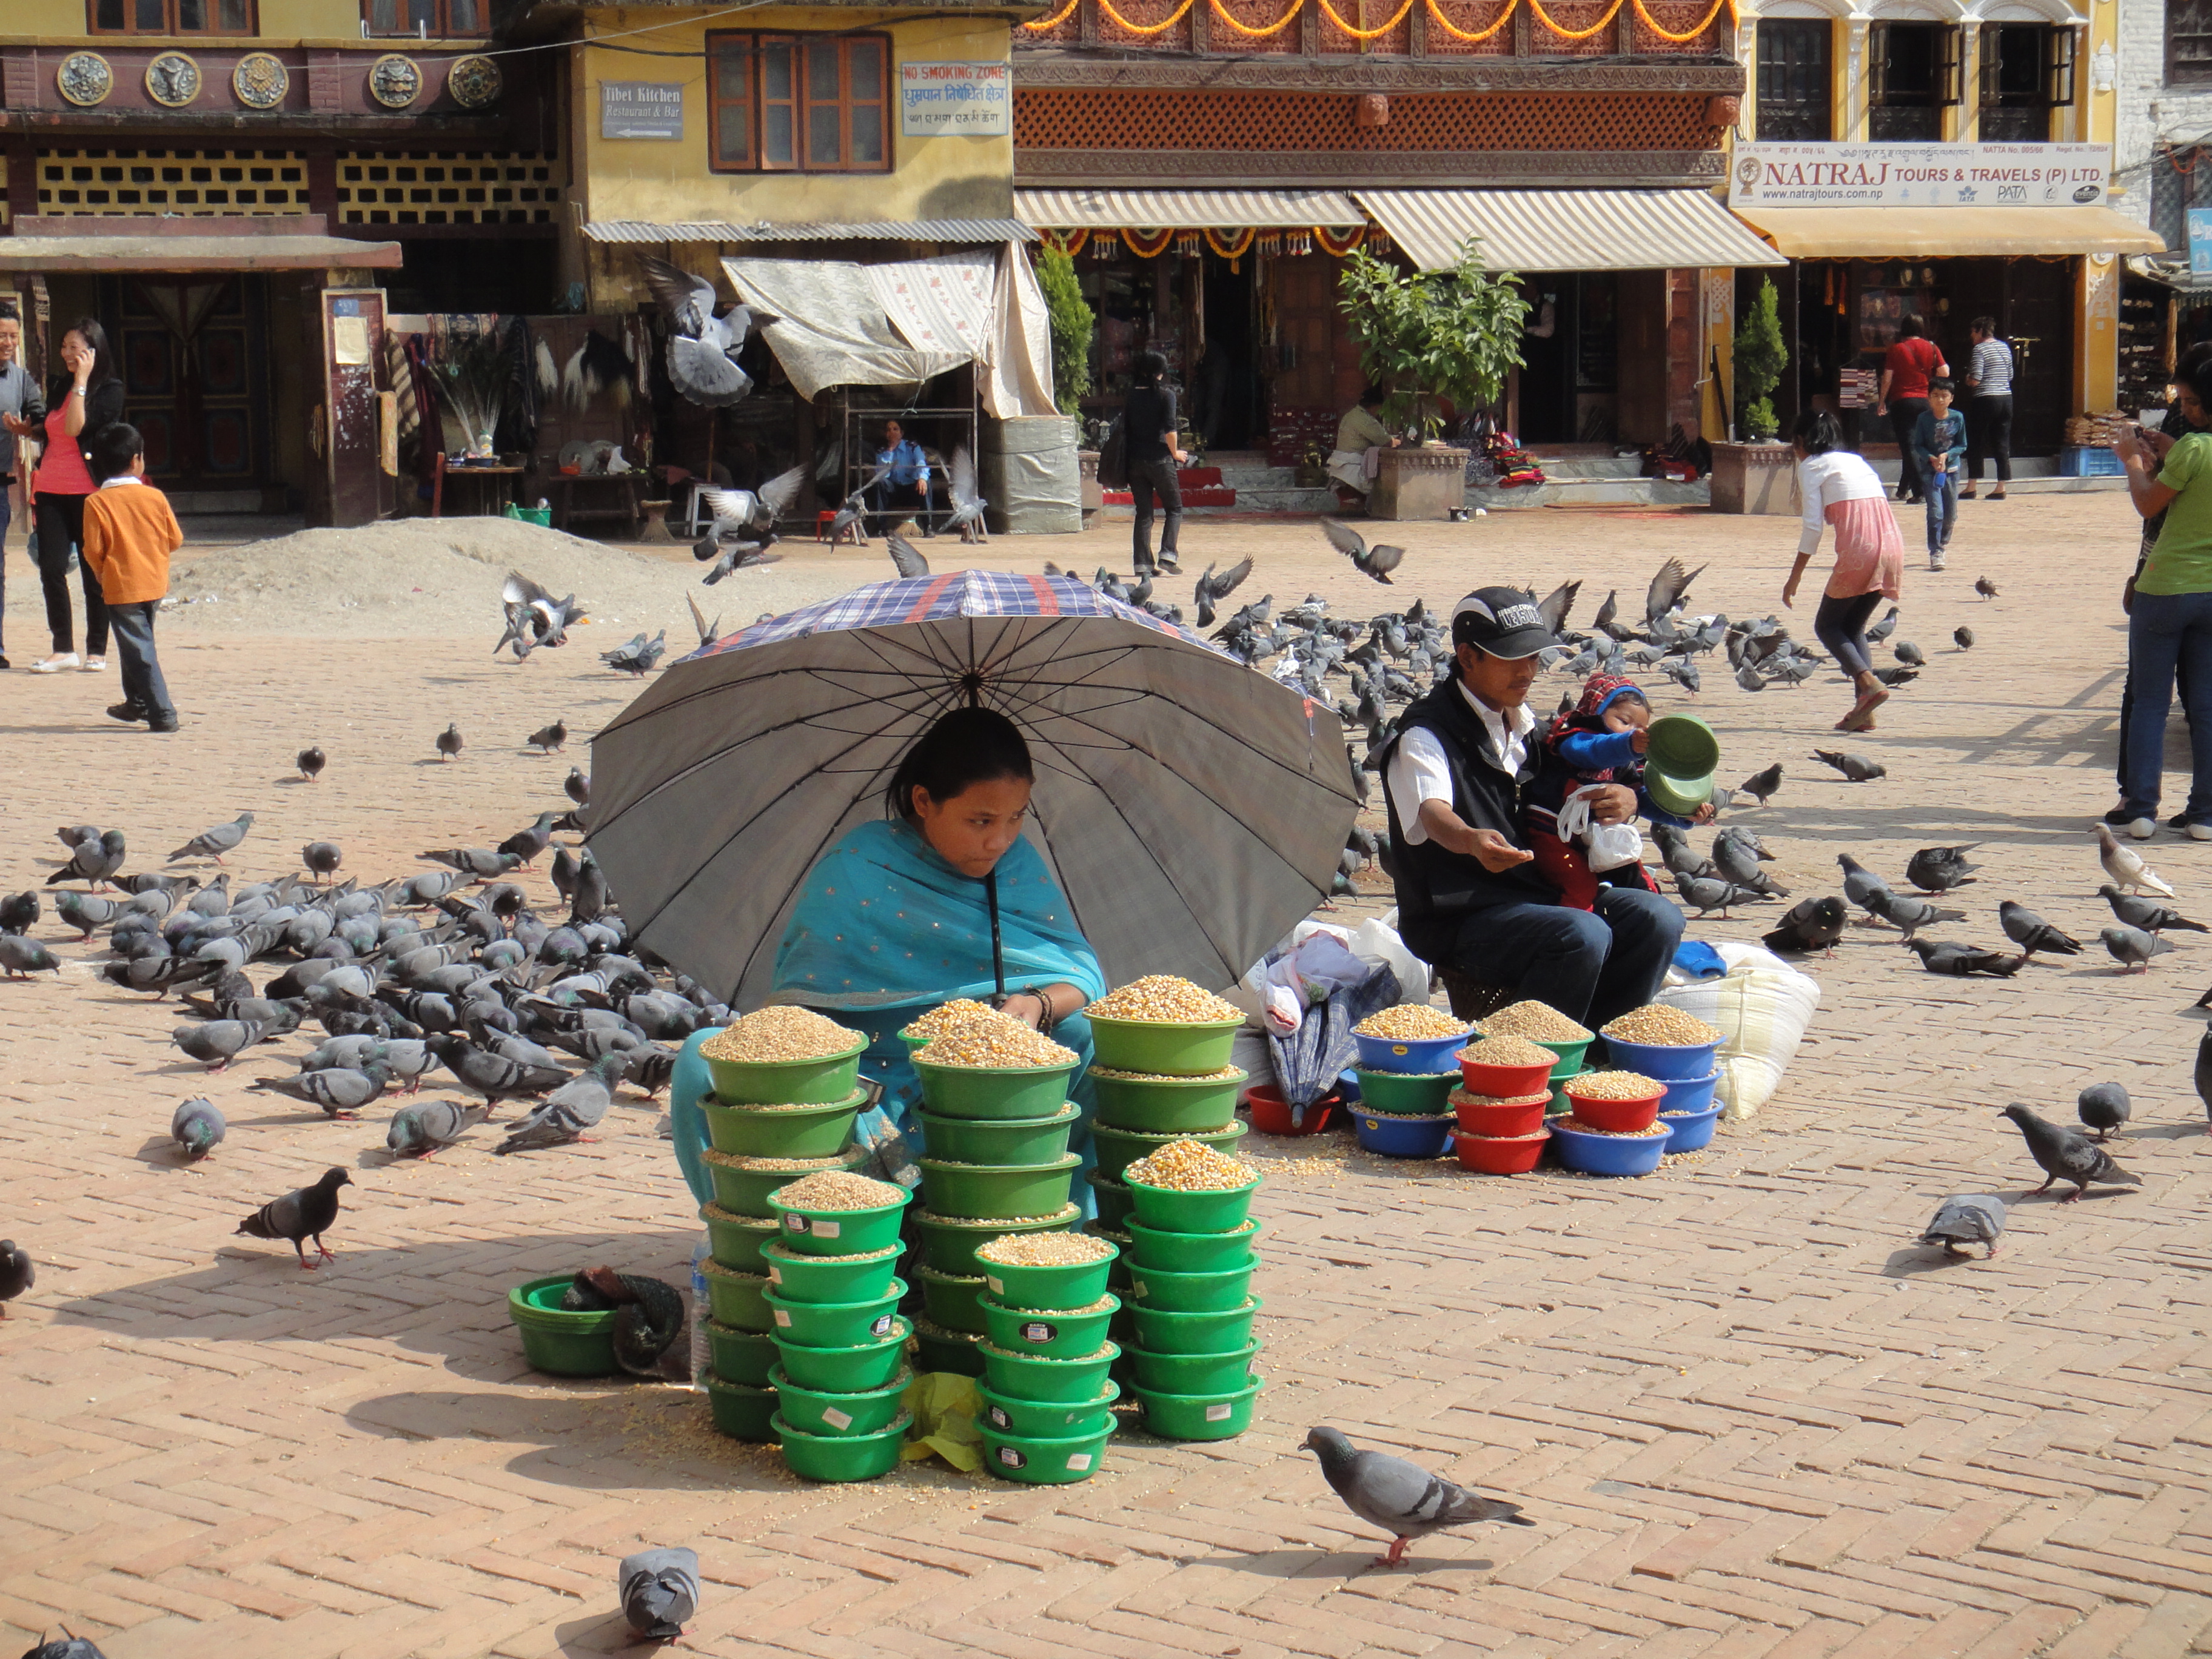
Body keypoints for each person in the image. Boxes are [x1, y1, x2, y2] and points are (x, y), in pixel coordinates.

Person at [665, 706, 1110, 1202]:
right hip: (859, 1087)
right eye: (980, 820)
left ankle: (1052, 1224)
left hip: (980, 1083)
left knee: (1091, 1034)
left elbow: (1080, 970)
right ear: (924, 801)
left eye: (1016, 817)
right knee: (698, 1060)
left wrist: (1037, 1006)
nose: (1000, 840)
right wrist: (844, 1078)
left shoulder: (1015, 863)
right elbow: (801, 1020)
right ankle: (752, 1233)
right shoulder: (858, 864)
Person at [1380, 588, 1684, 1028]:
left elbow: (1592, 782)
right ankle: (1524, 1060)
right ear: (1468, 658)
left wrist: (1629, 800)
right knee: (1582, 933)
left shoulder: (1530, 729)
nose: (1528, 672)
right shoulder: (1425, 735)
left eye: (1535, 659)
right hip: (1460, 915)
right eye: (1511, 659)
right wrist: (1471, 841)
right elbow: (1433, 813)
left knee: (1658, 918)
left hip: (1536, 898)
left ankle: (1597, 1048)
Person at [2113, 354, 2212, 840]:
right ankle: (2205, 814)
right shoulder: (2193, 448)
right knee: (2207, 706)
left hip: (2167, 588)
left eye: (2193, 402)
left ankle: (2141, 809)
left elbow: (2148, 502)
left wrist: (2133, 462)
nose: (2187, 409)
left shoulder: (2194, 447)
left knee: (2151, 702)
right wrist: (2171, 447)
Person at [1524, 674, 1710, 912]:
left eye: (1641, 729)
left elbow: (1644, 800)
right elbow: (1591, 751)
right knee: (1578, 889)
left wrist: (1685, 814)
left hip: (1601, 837)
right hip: (1553, 832)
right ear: (1596, 712)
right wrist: (1627, 745)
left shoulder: (1627, 763)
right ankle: (1572, 933)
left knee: (1646, 891)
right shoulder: (1574, 737)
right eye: (1624, 721)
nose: (1632, 731)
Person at [1783, 409, 1905, 733]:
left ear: (1800, 442)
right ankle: (1864, 714)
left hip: (1860, 551)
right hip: (1893, 546)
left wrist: (1794, 577)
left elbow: (1812, 528)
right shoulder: (1855, 460)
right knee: (1853, 627)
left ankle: (1869, 683)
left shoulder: (1811, 466)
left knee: (1827, 626)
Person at [28, 316, 124, 675]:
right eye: (64, 347)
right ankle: (63, 648)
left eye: (74, 347)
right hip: (50, 488)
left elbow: (75, 427)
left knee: (92, 571)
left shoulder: (111, 389)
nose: (67, 354)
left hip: (88, 492)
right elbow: (55, 430)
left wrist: (82, 382)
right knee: (52, 569)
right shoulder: (58, 386)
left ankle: (96, 649)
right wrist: (29, 430)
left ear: (93, 351)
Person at [79, 423, 181, 733]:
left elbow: (93, 550)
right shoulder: (155, 497)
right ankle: (135, 702)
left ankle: (162, 712)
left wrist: (101, 572)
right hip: (154, 582)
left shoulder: (96, 502)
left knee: (138, 647)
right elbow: (175, 539)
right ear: (137, 460)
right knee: (137, 644)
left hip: (121, 586)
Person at [0, 306, 46, 672]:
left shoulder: (20, 378)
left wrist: (28, 429)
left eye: (14, 336)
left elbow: (40, 419)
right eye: (3, 335)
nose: (9, 343)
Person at [1124, 350, 1185, 577]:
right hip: (1160, 460)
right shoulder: (1165, 395)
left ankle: (1142, 564)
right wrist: (1176, 453)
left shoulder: (1131, 394)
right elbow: (1170, 429)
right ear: (1161, 372)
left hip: (1134, 461)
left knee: (1144, 513)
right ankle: (1168, 554)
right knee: (1174, 508)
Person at [1877, 315, 1948, 506]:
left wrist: (1882, 401)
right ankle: (1905, 488)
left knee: (1909, 448)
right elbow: (1945, 372)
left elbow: (1888, 378)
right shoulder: (1932, 347)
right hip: (1926, 401)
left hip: (1903, 402)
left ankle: (1919, 491)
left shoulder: (1896, 349)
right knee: (1922, 446)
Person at [1912, 377, 1966, 572]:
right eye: (1935, 396)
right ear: (1929, 397)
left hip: (1951, 472)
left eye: (1944, 396)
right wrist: (1931, 458)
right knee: (1936, 512)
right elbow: (1917, 445)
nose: (1940, 400)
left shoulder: (1957, 418)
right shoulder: (1924, 419)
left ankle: (1943, 542)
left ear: (1951, 398)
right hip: (1930, 472)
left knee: (1950, 515)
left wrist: (1946, 455)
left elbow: (1962, 444)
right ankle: (1936, 551)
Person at [1959, 316, 2013, 501]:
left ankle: (1972, 485)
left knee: (1976, 441)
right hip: (2006, 398)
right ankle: (2001, 486)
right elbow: (2010, 375)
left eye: (1973, 332)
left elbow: (1976, 379)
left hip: (1985, 399)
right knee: (2001, 442)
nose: (1971, 336)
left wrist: (1967, 379)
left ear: (1980, 331)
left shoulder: (1980, 349)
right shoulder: (2005, 347)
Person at [1327, 384, 1399, 504]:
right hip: (1352, 465)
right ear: (1376, 406)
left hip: (1341, 462)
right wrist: (1402, 440)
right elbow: (1387, 442)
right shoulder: (1365, 420)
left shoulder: (1352, 414)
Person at [866, 418, 931, 531]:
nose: (892, 432)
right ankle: (880, 527)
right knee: (879, 483)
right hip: (893, 489)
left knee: (926, 482)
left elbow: (921, 463)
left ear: (902, 433)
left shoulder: (912, 447)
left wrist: (922, 478)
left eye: (895, 429)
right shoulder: (882, 451)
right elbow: (883, 474)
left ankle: (928, 526)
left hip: (912, 487)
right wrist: (890, 451)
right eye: (889, 430)